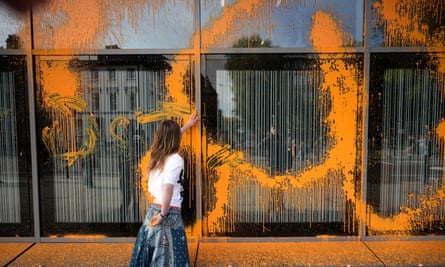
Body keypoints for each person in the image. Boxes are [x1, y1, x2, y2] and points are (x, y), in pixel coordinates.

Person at [129, 112, 198, 267]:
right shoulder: (176, 160)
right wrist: (163, 214)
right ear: (175, 139)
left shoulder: (157, 155)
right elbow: (168, 187)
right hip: (168, 211)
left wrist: (186, 127)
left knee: (149, 253)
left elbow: (170, 137)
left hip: (154, 209)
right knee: (170, 258)